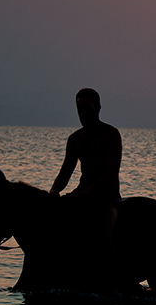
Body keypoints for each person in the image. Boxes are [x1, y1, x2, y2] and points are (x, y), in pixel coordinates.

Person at [49, 88, 122, 282]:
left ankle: (115, 276)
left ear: (97, 108)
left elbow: (111, 172)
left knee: (104, 237)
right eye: (79, 109)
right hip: (82, 194)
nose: (83, 114)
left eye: (87, 109)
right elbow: (66, 171)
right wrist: (54, 190)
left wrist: (86, 192)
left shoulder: (111, 134)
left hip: (106, 196)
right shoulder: (75, 139)